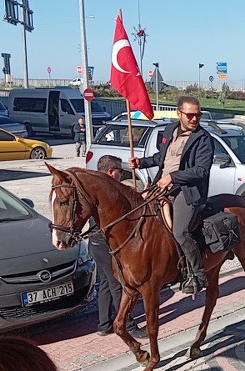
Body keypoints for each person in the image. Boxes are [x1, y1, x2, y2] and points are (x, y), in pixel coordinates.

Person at [129, 96, 214, 295]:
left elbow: (201, 170)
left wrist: (173, 178)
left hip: (188, 190)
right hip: (162, 186)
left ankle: (197, 274)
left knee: (180, 232)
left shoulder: (203, 139)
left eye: (198, 115)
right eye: (190, 115)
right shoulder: (169, 131)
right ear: (179, 113)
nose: (195, 119)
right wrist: (141, 163)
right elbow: (162, 158)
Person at [90, 155, 146, 338]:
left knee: (105, 283)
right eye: (120, 172)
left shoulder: (95, 187)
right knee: (118, 283)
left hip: (95, 242)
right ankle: (128, 325)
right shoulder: (106, 190)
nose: (121, 176)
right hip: (105, 243)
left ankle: (104, 324)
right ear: (111, 172)